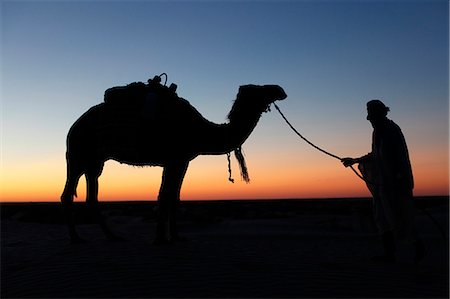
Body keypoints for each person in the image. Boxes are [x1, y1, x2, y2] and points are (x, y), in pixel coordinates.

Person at [341, 99, 424, 263]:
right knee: (383, 217)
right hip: (383, 184)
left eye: (372, 115)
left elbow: (400, 158)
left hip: (395, 184)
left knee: (401, 216)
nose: (371, 119)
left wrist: (400, 179)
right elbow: (376, 156)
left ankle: (418, 249)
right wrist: (355, 160)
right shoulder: (378, 132)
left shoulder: (391, 130)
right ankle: (389, 254)